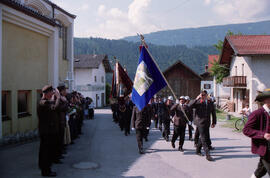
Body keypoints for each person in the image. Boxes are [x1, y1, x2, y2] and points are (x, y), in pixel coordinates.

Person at [243, 89, 270, 178]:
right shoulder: (257, 113)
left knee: (260, 171)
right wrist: (263, 135)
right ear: (265, 100)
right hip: (266, 149)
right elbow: (246, 130)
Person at [37, 85, 60, 177]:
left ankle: (46, 168)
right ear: (46, 93)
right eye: (51, 92)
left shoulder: (46, 102)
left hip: (48, 131)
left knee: (47, 151)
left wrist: (55, 98)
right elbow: (54, 107)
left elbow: (52, 104)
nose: (52, 94)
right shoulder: (43, 103)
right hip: (46, 132)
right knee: (46, 152)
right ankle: (46, 171)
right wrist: (58, 98)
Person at [189, 90, 216, 161]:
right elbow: (189, 105)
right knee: (204, 138)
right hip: (200, 123)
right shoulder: (197, 102)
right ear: (200, 95)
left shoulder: (210, 103)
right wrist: (197, 98)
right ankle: (208, 155)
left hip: (207, 123)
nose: (203, 96)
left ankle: (197, 150)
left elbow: (213, 113)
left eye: (205, 95)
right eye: (202, 95)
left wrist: (214, 122)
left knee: (203, 137)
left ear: (207, 95)